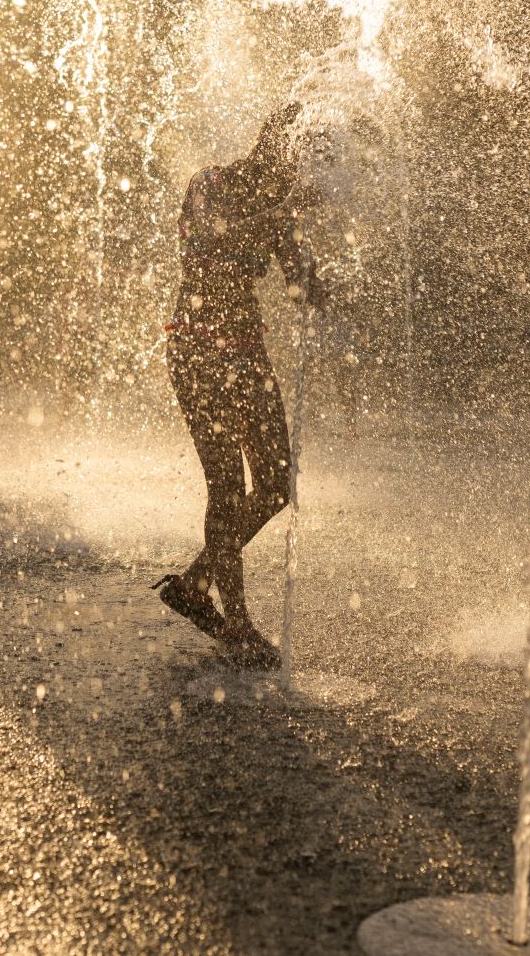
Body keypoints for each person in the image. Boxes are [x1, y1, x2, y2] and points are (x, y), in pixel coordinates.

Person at [153, 103, 327, 668]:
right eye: (296, 162)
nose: (301, 176)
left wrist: (315, 281)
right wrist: (282, 215)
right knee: (227, 487)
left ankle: (196, 583)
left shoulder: (279, 211)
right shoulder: (210, 184)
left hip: (247, 354)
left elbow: (300, 284)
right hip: (198, 351)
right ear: (270, 152)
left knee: (276, 483)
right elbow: (214, 238)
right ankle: (239, 627)